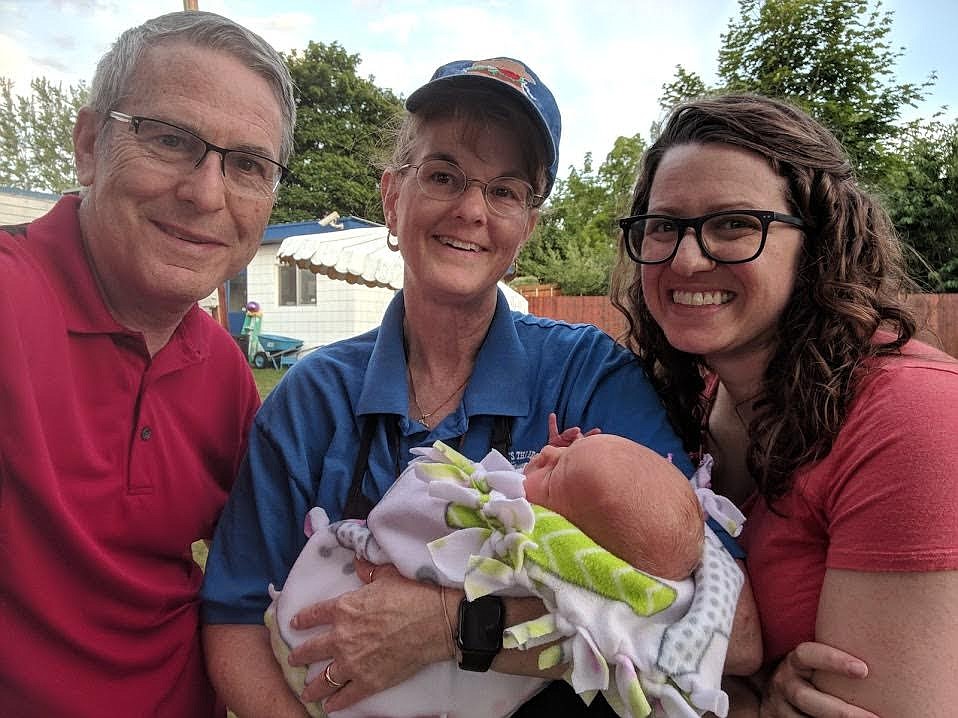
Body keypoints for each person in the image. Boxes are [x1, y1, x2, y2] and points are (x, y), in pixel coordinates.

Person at [201, 57, 759, 717]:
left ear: (527, 224)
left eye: (504, 190)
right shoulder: (312, 398)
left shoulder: (587, 375)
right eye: (443, 176)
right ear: (391, 195)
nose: (471, 210)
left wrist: (453, 627)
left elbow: (729, 630)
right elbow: (234, 621)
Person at [610, 93, 958, 717]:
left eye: (734, 224)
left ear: (818, 243)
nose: (686, 258)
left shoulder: (913, 418)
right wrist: (753, 699)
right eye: (663, 225)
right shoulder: (686, 406)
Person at [0, 11, 295, 717]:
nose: (205, 194)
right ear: (88, 146)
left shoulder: (224, 371)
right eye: (170, 140)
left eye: (248, 165)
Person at [266, 431, 746, 718]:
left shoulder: (536, 551)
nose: (550, 454)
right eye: (575, 446)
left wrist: (446, 623)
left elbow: (415, 517)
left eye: (557, 477)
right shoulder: (317, 387)